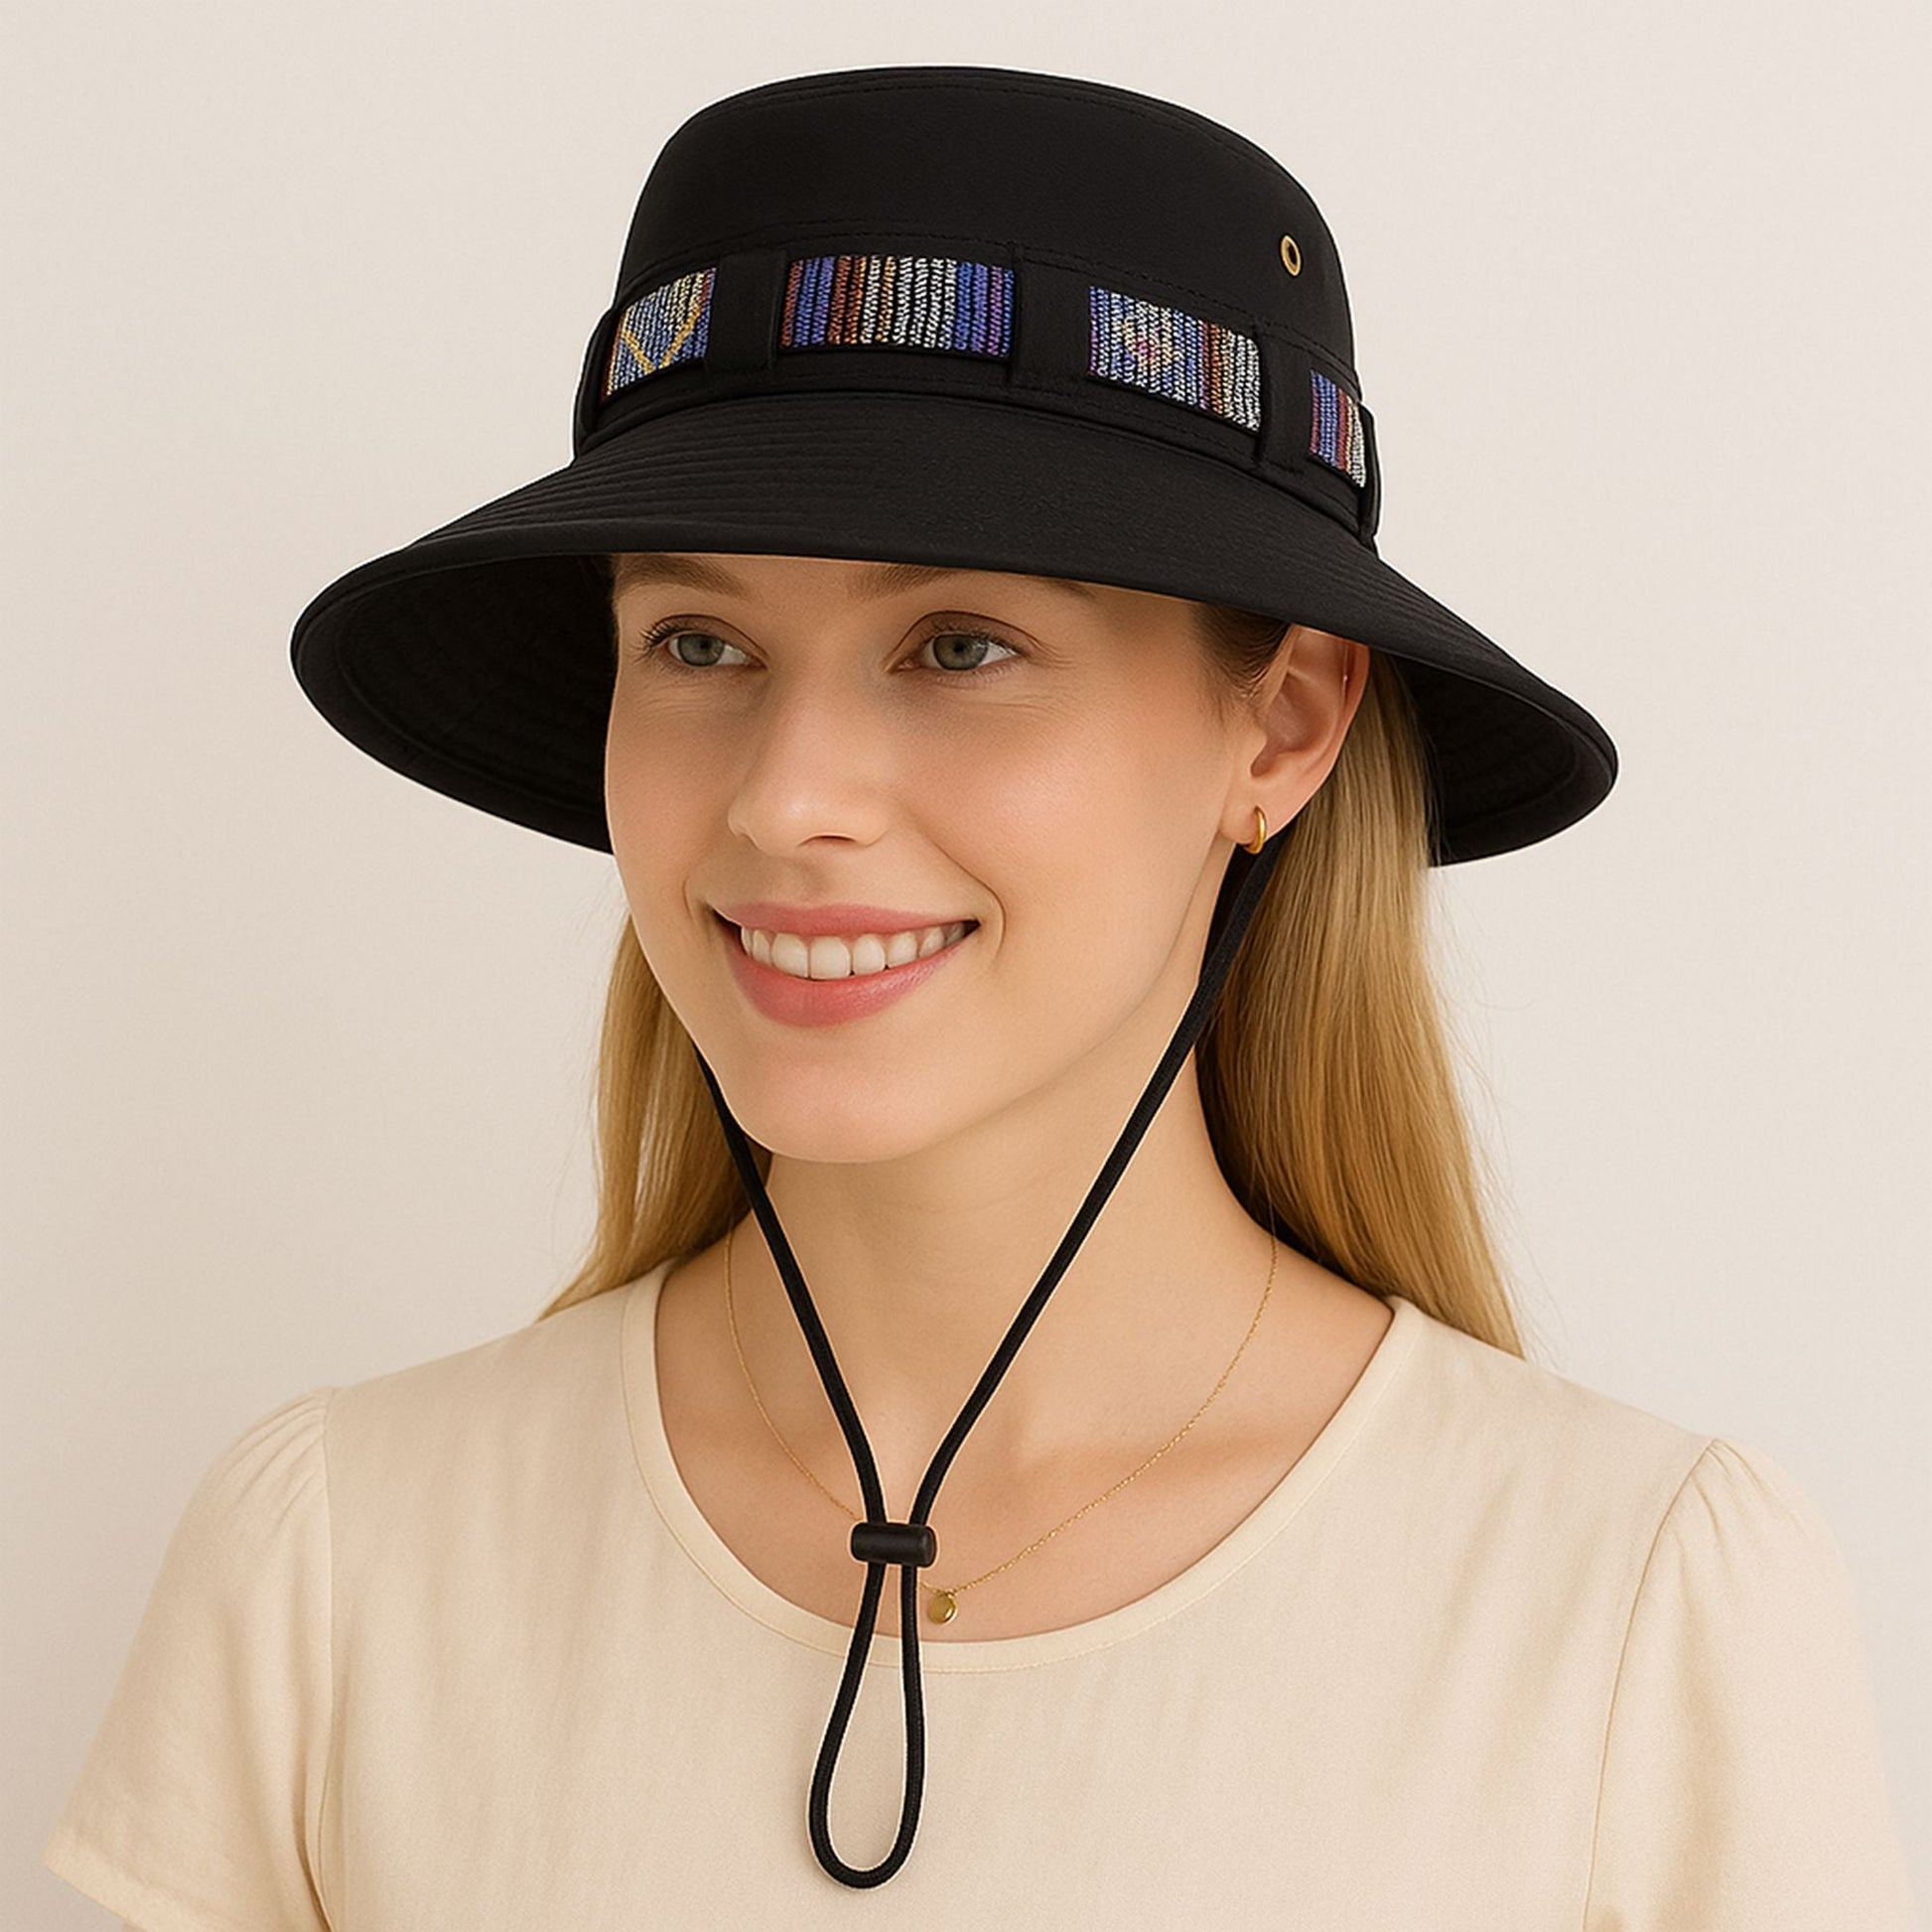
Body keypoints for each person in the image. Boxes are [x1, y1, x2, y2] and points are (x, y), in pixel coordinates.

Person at [44, 63, 1918, 1927]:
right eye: (696, 640)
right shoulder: (335, 1566)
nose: (786, 798)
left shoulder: (1629, 1615)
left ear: (1281, 725)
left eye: (959, 645)